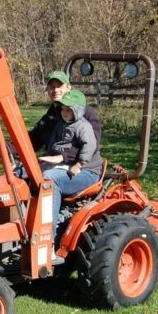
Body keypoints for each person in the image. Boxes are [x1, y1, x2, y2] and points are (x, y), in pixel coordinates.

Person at [40, 89, 103, 256]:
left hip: (86, 171)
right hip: (66, 165)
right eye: (62, 109)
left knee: (50, 181)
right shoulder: (61, 125)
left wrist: (79, 164)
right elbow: (54, 145)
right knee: (28, 173)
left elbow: (90, 146)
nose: (65, 113)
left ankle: (48, 241)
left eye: (69, 109)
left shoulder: (84, 126)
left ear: (78, 110)